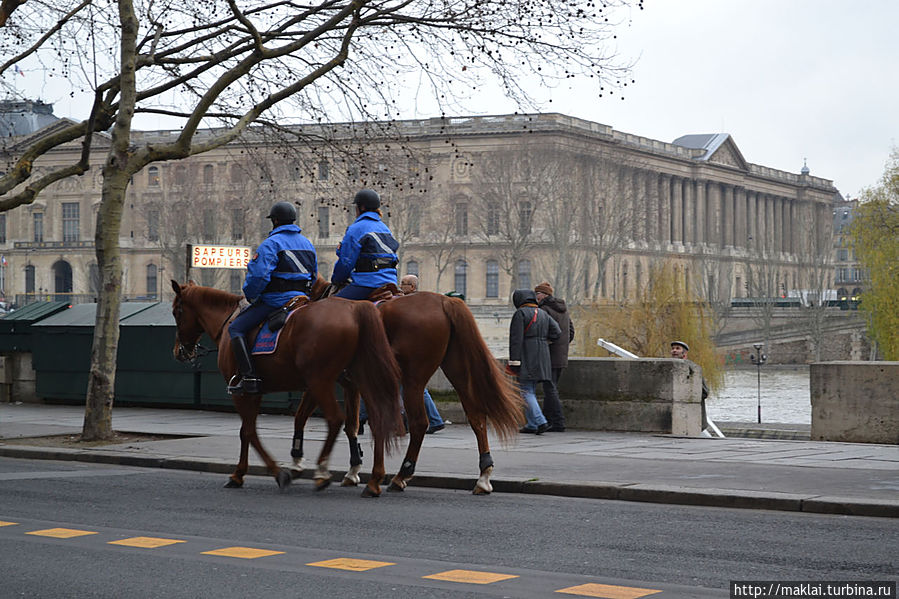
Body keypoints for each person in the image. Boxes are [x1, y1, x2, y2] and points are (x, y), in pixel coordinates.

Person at [226, 201, 317, 394]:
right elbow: (314, 275)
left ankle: (249, 377)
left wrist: (251, 296)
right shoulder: (307, 243)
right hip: (301, 299)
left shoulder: (271, 244)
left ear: (275, 221)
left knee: (236, 328)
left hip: (275, 300)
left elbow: (259, 277)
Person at [399, 274, 447, 434]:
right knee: (416, 387)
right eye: (401, 283)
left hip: (411, 352)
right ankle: (434, 419)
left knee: (414, 387)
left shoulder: (409, 304)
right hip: (415, 351)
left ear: (412, 287)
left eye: (404, 284)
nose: (401, 286)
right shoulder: (416, 303)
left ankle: (428, 420)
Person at [508, 288, 561, 434]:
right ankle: (531, 424)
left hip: (527, 355)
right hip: (543, 355)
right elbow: (557, 331)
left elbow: (516, 340)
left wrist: (514, 361)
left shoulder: (520, 314)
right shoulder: (543, 313)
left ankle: (540, 421)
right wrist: (543, 341)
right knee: (529, 389)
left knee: (526, 390)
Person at [331, 189, 399, 300]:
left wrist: (337, 279)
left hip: (368, 283)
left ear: (361, 208)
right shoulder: (385, 228)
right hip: (391, 281)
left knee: (332, 306)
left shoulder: (356, 229)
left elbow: (346, 262)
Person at [535, 282, 574, 432]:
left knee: (550, 389)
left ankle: (558, 422)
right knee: (550, 388)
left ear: (544, 295)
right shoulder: (563, 309)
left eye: (537, 293)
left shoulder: (544, 310)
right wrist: (562, 346)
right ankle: (547, 420)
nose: (535, 296)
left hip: (549, 355)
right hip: (561, 355)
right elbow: (570, 332)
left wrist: (548, 345)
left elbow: (544, 332)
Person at [670, 340, 710, 433]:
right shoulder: (669, 368)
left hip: (691, 416)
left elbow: (704, 392)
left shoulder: (693, 368)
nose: (674, 351)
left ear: (685, 353)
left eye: (677, 348)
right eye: (672, 349)